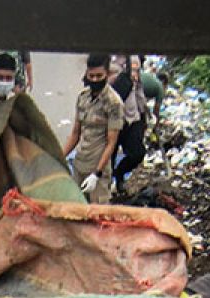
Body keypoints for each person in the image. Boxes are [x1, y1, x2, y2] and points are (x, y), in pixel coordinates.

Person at [61, 54, 123, 204]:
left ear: (107, 75)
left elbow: (111, 142)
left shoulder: (113, 103)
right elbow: (76, 133)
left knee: (98, 217)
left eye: (99, 76)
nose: (95, 80)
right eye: (91, 76)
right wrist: (59, 157)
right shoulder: (83, 98)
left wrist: (97, 173)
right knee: (74, 210)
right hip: (80, 163)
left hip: (98, 169)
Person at [111, 55, 148, 194]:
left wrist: (144, 120)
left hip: (133, 121)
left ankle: (119, 174)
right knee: (110, 156)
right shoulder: (119, 81)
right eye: (132, 70)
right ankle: (109, 186)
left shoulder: (139, 83)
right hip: (116, 123)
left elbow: (141, 101)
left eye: (137, 71)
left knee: (137, 153)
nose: (135, 74)